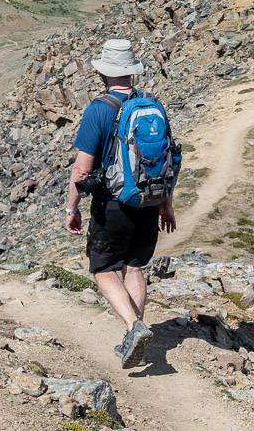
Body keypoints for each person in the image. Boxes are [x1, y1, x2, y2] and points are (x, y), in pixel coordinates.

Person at [65, 38, 176, 369]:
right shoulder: (151, 105)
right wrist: (165, 203)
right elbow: (166, 159)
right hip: (148, 200)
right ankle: (135, 332)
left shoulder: (99, 109)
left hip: (113, 203)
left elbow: (82, 168)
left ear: (104, 74)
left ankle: (133, 327)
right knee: (133, 266)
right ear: (131, 72)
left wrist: (72, 208)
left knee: (103, 269)